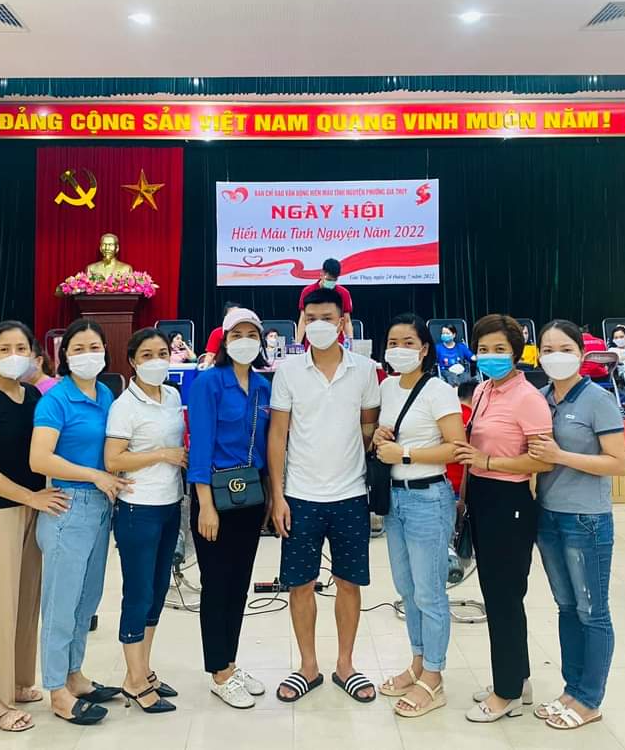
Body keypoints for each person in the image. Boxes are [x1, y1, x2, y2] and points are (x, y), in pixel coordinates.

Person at [0, 320, 73, 732]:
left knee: (27, 601)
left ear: (33, 355)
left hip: (35, 509)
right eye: (4, 349)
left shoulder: (33, 397)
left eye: (20, 348)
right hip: (0, 511)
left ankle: (20, 681)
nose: (13, 356)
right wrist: (30, 497)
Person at [269, 288, 381, 705]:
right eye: (311, 317)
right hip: (300, 496)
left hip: (350, 494)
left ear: (342, 322)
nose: (319, 325)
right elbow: (277, 436)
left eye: (327, 318)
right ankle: (308, 666)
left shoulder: (365, 370)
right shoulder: (288, 372)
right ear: (302, 321)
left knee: (349, 582)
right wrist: (278, 495)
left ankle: (346, 665)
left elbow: (369, 427)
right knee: (301, 584)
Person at [527, 320, 625, 731]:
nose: (556, 356)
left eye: (565, 349)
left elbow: (618, 463)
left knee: (592, 611)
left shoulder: (598, 399)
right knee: (567, 608)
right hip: (547, 516)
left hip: (586, 519)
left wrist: (561, 456)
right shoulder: (540, 398)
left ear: (581, 354)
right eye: (548, 349)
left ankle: (590, 699)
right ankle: (572, 689)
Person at [30, 319, 131, 725]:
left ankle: (75, 674)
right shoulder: (56, 400)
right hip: (68, 507)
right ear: (64, 355)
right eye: (79, 348)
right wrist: (94, 475)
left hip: (101, 508)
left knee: (86, 600)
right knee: (61, 603)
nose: (88, 355)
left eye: (95, 347)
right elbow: (40, 458)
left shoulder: (105, 393)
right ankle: (56, 689)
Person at [454, 314, 554, 723]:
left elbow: (543, 459)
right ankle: (518, 678)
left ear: (516, 352)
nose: (490, 356)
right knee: (497, 594)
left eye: (499, 349)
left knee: (504, 597)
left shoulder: (528, 397)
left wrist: (490, 461)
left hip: (509, 499)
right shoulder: (482, 390)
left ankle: (507, 693)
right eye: (483, 349)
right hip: (481, 494)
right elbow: (471, 451)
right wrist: (464, 496)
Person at [372, 314, 467, 718]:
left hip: (428, 497)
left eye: (409, 342)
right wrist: (379, 437)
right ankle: (417, 661)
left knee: (430, 592)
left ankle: (434, 675)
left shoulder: (439, 391)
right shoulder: (386, 387)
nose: (399, 349)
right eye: (393, 342)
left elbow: (457, 447)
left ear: (425, 349)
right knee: (408, 590)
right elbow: (383, 437)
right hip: (395, 500)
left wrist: (406, 454)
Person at [188, 308, 271, 708]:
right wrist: (205, 504)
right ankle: (217, 672)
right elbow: (200, 444)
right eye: (237, 334)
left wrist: (269, 495)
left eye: (252, 334)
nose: (245, 341)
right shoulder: (208, 382)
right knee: (217, 584)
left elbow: (266, 446)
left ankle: (231, 663)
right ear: (224, 341)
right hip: (215, 497)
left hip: (250, 496)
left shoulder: (262, 386)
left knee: (239, 583)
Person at [104, 328, 188, 714]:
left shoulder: (172, 395)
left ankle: (143, 670)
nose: (157, 361)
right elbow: (113, 460)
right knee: (138, 594)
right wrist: (162, 455)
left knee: (157, 591)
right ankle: (134, 681)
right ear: (133, 362)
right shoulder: (125, 405)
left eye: (162, 354)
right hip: (139, 509)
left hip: (170, 505)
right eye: (147, 355)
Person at [296, 258, 354, 344]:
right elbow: (303, 319)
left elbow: (347, 321)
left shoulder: (344, 293)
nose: (331, 282)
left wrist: (351, 343)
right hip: (313, 341)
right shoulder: (308, 291)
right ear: (322, 274)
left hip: (336, 342)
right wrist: (297, 343)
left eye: (334, 280)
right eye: (329, 280)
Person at [445, 380, 477, 496]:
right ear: (475, 396)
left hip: (444, 481)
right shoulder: (475, 420)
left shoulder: (447, 416)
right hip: (465, 485)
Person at [200, 301, 241, 367]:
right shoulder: (217, 332)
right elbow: (210, 354)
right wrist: (206, 364)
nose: (234, 317)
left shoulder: (248, 332)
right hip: (223, 367)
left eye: (237, 315)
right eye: (231, 315)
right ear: (225, 317)